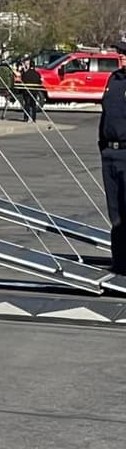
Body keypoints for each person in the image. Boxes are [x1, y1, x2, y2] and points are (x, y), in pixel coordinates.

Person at [101, 40, 126, 275]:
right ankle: (119, 264)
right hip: (110, 153)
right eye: (120, 52)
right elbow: (106, 114)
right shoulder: (114, 80)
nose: (122, 56)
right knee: (116, 214)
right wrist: (103, 146)